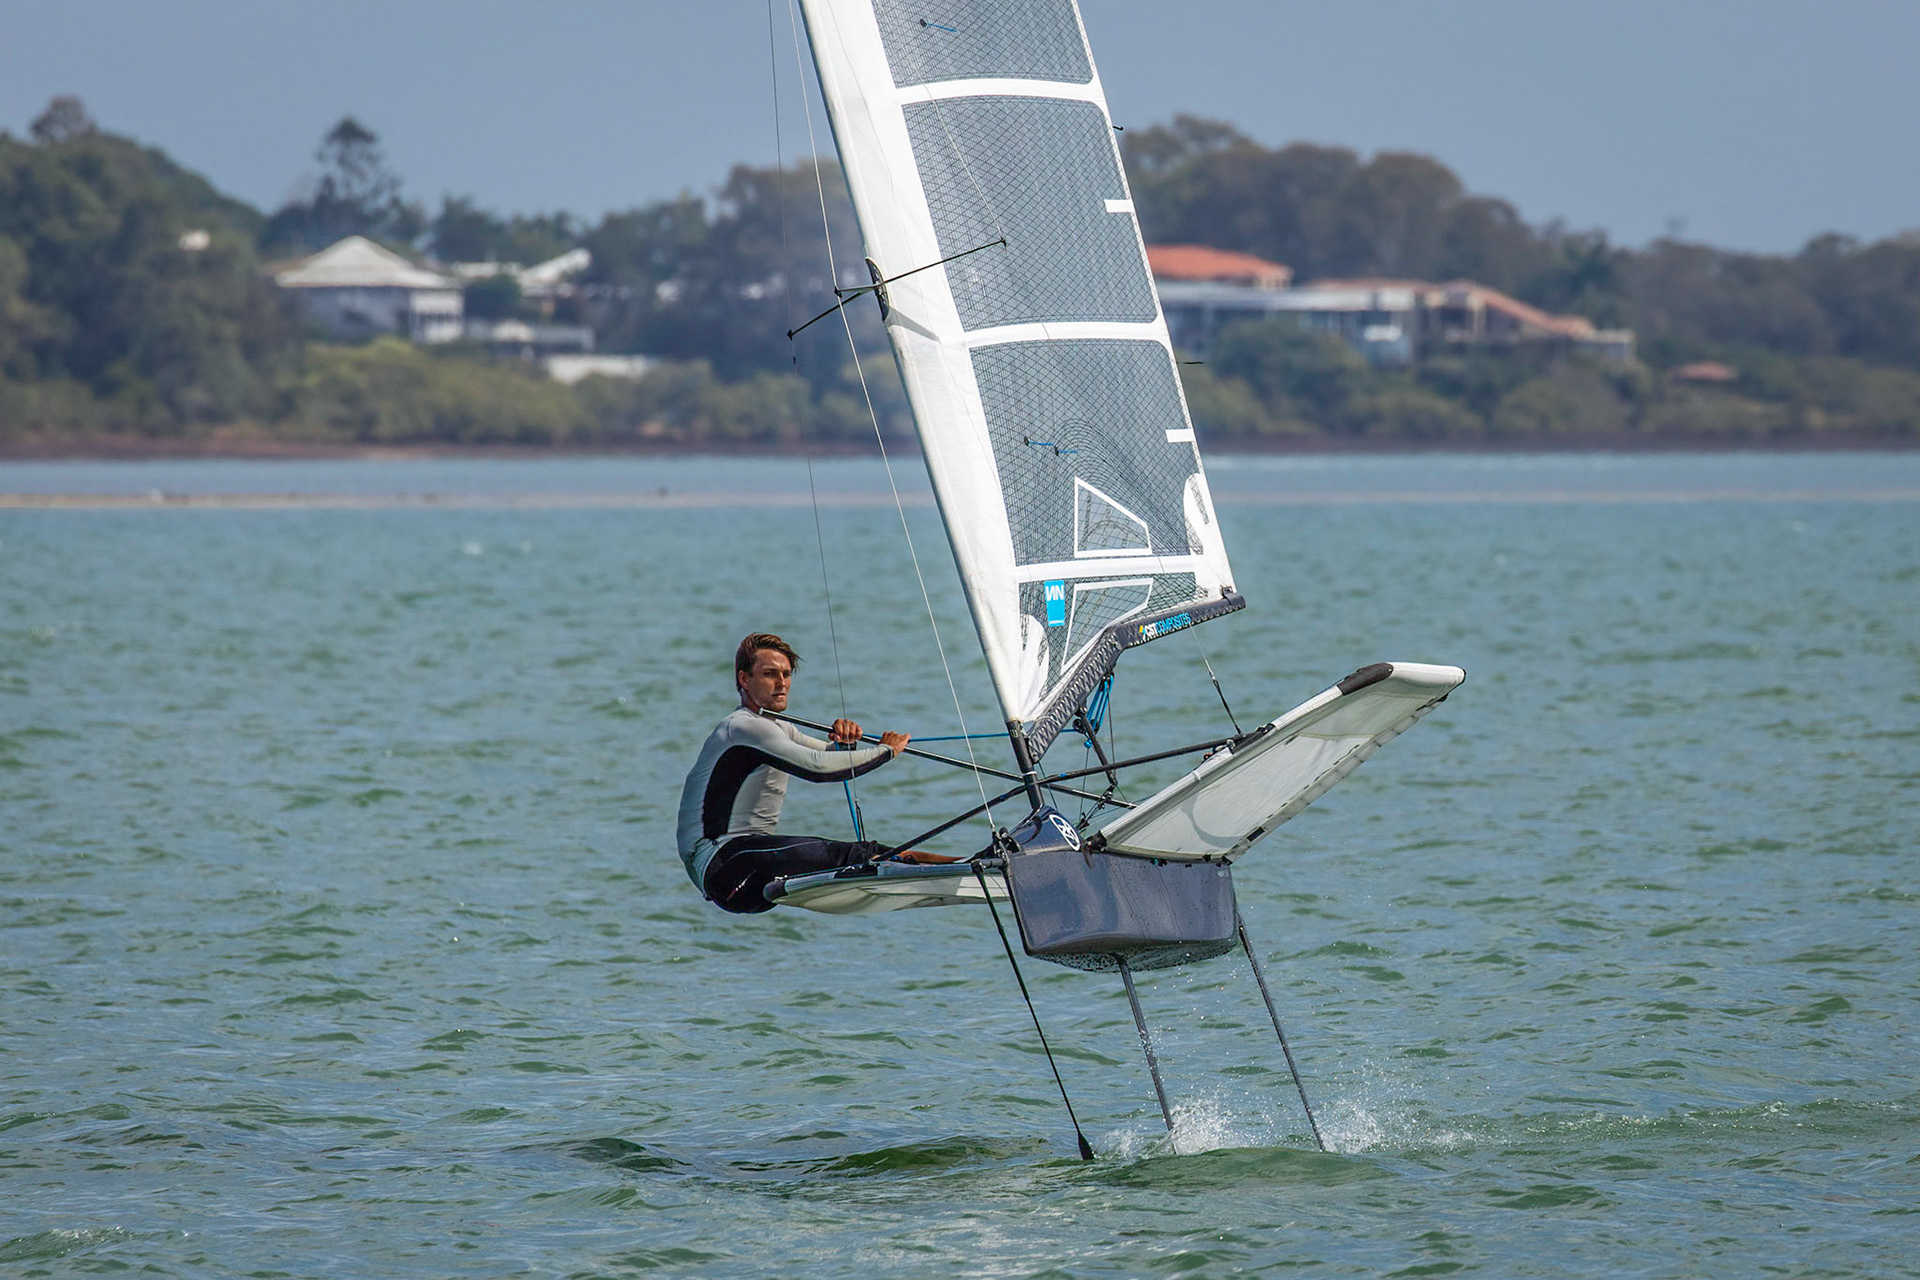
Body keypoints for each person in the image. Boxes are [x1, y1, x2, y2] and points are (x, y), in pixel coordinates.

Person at [677, 632, 953, 913]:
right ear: (744, 679)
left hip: (748, 866)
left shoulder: (779, 729)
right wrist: (886, 751)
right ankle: (968, 867)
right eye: (769, 674)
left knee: (868, 856)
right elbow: (817, 768)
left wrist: (845, 743)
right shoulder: (742, 727)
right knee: (856, 856)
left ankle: (964, 865)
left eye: (786, 674)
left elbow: (828, 756)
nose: (781, 683)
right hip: (726, 866)